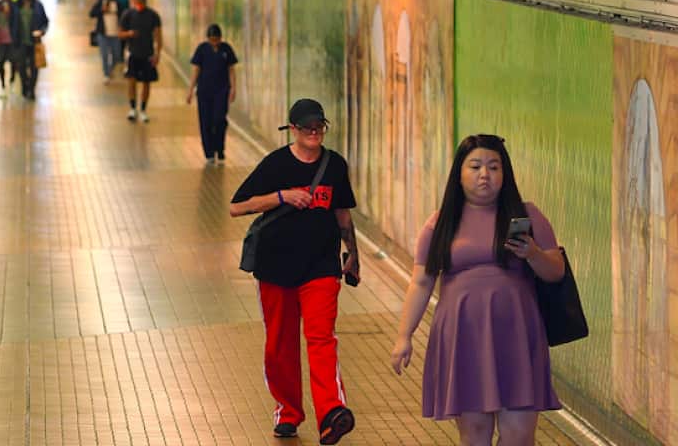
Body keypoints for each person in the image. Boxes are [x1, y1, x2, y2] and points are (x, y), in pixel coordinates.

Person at [390, 134, 563, 446]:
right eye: (475, 166)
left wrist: (533, 253)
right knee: (475, 436)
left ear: (505, 174)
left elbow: (555, 271)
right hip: (463, 338)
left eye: (494, 167)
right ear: (459, 174)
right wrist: (404, 336)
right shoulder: (441, 223)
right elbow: (421, 282)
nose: (485, 174)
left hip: (517, 337)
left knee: (520, 436)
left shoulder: (528, 216)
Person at [227, 98, 359, 444]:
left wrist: (353, 256)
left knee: (321, 338)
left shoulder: (334, 165)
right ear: (293, 129)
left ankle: (332, 413)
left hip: (321, 266)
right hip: (276, 266)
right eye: (307, 128)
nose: (314, 133)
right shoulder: (275, 164)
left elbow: (343, 215)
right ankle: (288, 412)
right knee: (280, 345)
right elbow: (236, 206)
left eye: (319, 127)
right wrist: (282, 196)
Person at [186, 24, 238, 162]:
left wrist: (233, 88)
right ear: (208, 39)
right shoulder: (202, 49)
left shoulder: (226, 49)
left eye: (217, 39)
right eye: (212, 40)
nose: (214, 42)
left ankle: (219, 148)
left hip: (221, 91)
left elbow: (231, 70)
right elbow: (196, 71)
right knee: (206, 121)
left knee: (219, 119)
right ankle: (209, 152)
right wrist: (190, 90)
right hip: (204, 91)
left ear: (220, 38)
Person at [119, 0, 162, 122]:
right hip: (133, 53)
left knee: (146, 82)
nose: (139, 2)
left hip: (148, 54)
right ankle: (132, 108)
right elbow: (120, 34)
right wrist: (129, 34)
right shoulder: (128, 14)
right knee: (131, 81)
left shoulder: (153, 15)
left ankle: (143, 109)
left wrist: (157, 54)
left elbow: (158, 36)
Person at [9, 0, 50, 100]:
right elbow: (10, 22)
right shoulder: (16, 6)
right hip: (20, 42)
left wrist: (41, 31)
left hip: (34, 42)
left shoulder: (38, 5)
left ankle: (31, 89)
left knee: (34, 67)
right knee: (21, 67)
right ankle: (24, 85)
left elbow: (45, 21)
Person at [89, 0, 122, 83]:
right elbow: (91, 14)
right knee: (104, 55)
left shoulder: (118, 3)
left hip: (115, 34)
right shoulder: (101, 2)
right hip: (103, 34)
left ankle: (110, 69)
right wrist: (101, 10)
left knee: (117, 55)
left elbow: (123, 17)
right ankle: (106, 74)